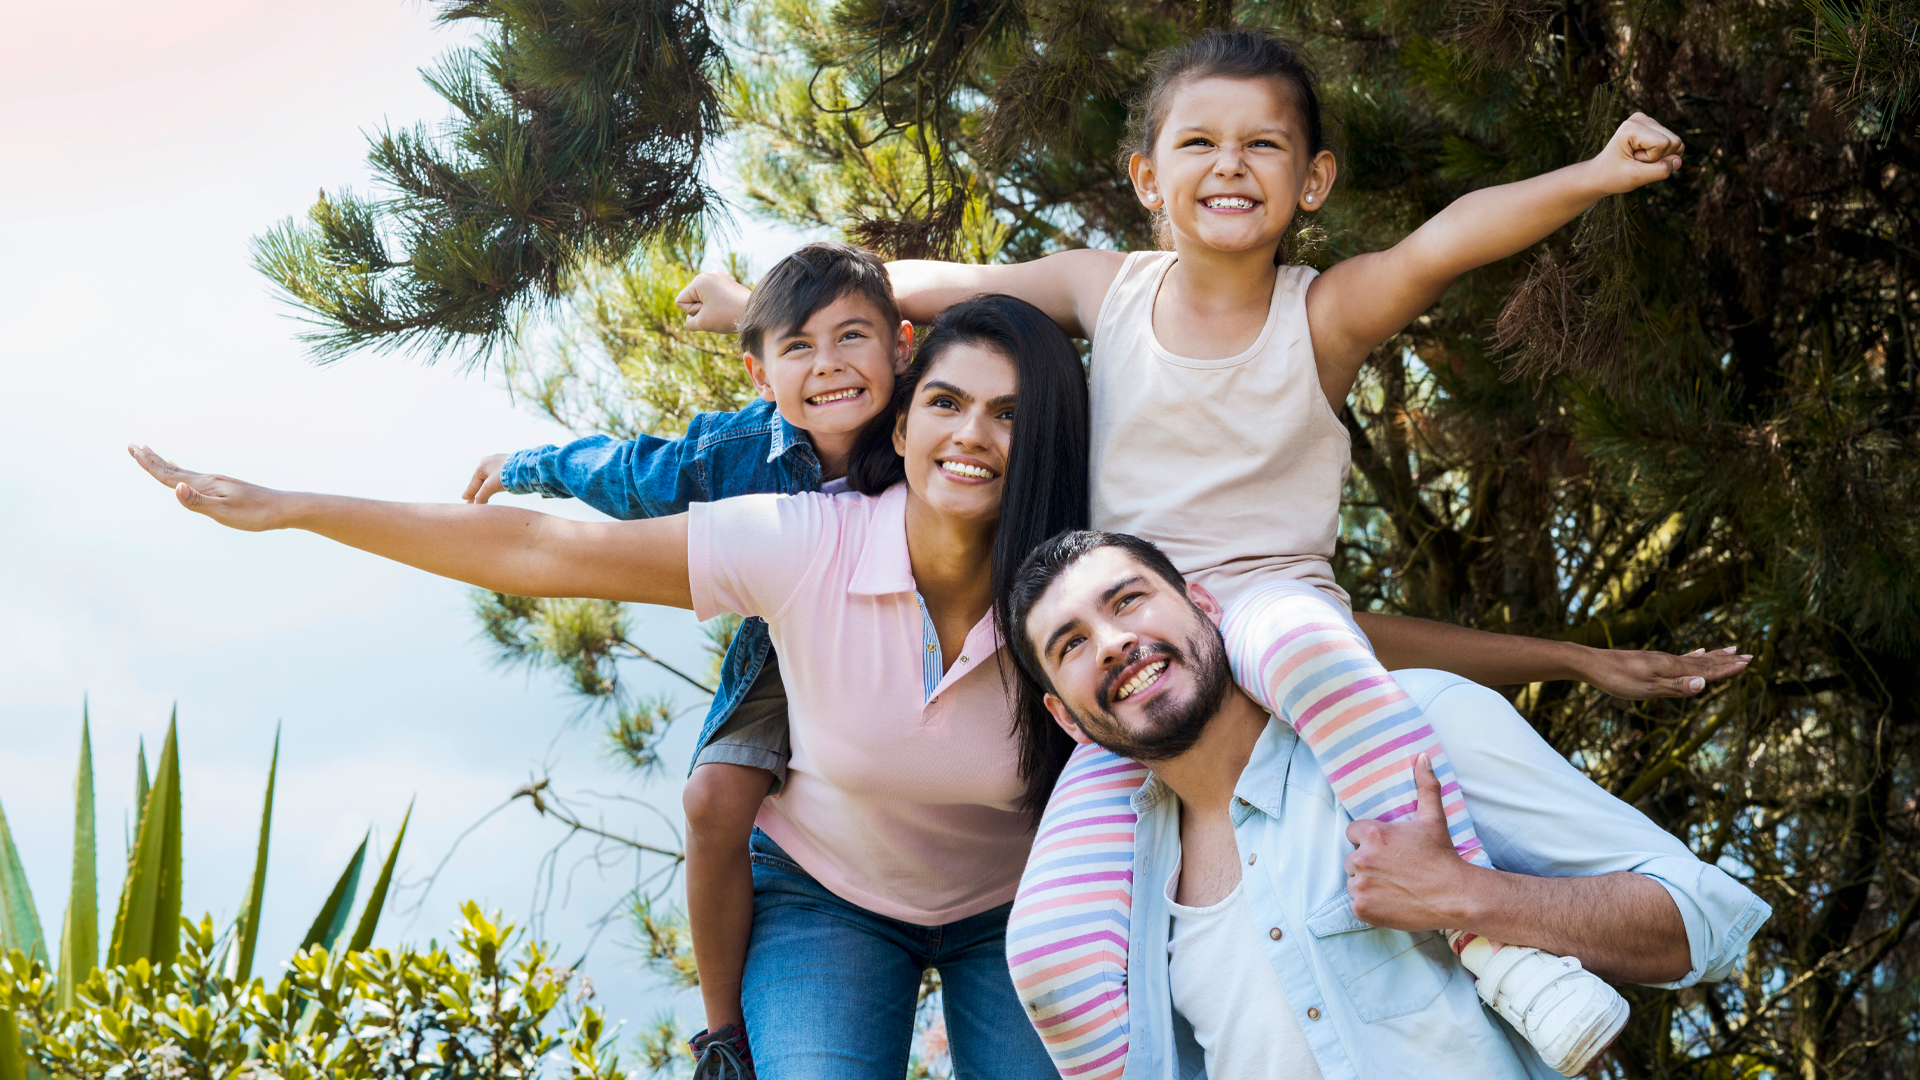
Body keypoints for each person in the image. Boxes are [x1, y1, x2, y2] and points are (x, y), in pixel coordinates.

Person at [673, 27, 1749, 1077]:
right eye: (1198, 142)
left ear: (1313, 181)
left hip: (1276, 617)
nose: (1229, 164)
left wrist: (1595, 174)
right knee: (1044, 943)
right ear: (1147, 173)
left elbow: (1446, 240)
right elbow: (933, 285)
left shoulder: (1321, 315)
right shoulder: (1108, 290)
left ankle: (1485, 934)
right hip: (1135, 636)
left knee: (1315, 650)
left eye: (1263, 145)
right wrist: (758, 309)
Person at [128, 293, 1093, 1080]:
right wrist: (296, 507)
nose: (973, 435)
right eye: (947, 403)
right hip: (828, 900)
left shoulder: (1087, 592)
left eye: (1010, 414)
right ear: (907, 408)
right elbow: (545, 547)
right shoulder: (809, 542)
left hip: (1016, 905)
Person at [1005, 530, 1770, 1080]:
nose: (1112, 642)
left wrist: (1474, 895)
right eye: (1071, 644)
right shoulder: (1125, 908)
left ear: (1204, 606)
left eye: (1130, 600)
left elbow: (1703, 922)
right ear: (1068, 719)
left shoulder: (1423, 725)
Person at [462, 241, 913, 1073]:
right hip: (792, 637)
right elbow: (635, 472)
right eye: (797, 351)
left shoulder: (937, 417)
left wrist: (742, 297)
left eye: (854, 340)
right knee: (711, 798)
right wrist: (524, 464)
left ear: (902, 347)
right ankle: (723, 1038)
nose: (830, 368)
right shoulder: (741, 449)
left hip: (921, 627)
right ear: (759, 377)